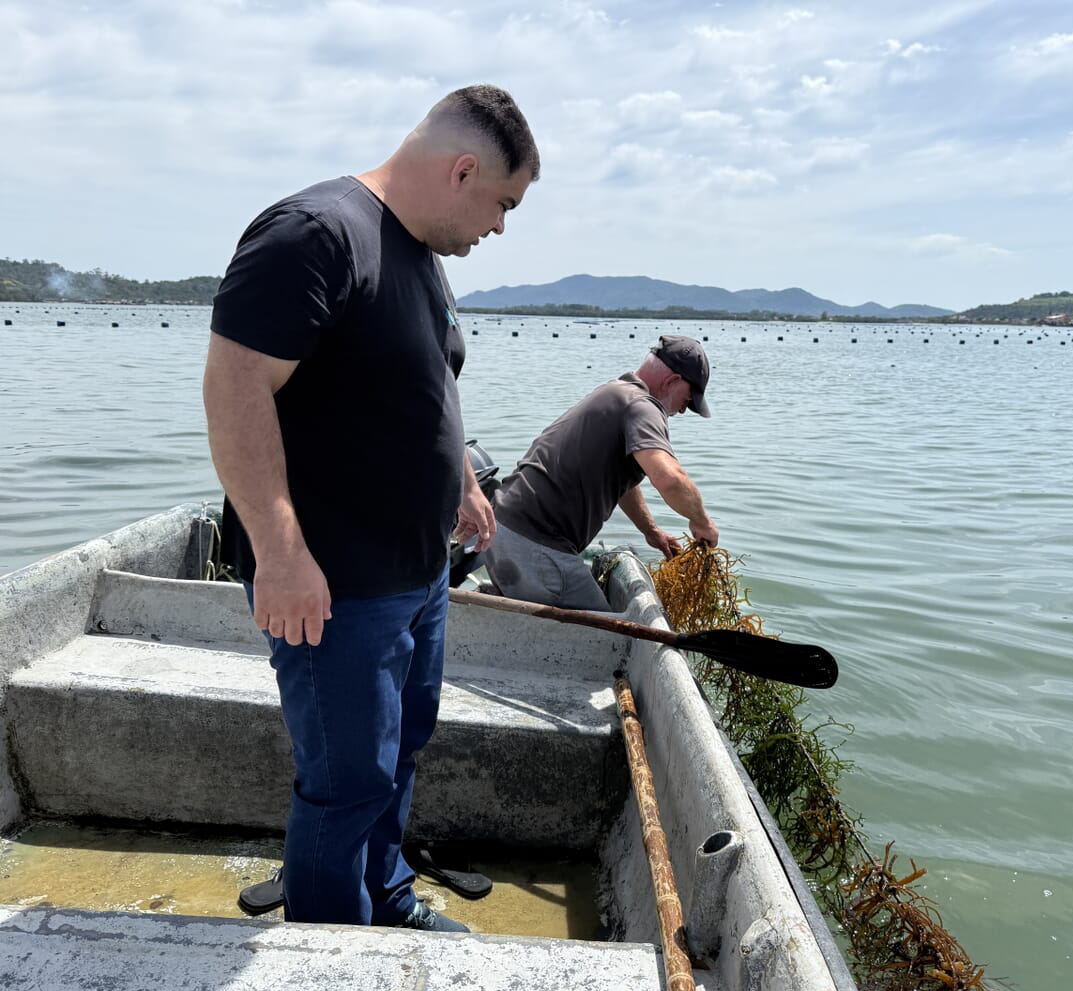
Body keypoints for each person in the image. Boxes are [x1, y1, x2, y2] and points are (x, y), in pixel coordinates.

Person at [202, 84, 539, 931]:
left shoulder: (419, 253)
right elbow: (235, 386)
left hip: (417, 575)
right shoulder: (315, 234)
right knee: (346, 779)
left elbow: (406, 381)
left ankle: (385, 899)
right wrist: (279, 553)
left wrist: (458, 472)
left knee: (400, 752)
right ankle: (330, 954)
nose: (500, 226)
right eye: (503, 202)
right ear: (463, 170)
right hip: (336, 583)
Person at [484, 335, 719, 610]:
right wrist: (702, 522)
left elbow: (623, 484)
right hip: (536, 544)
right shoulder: (643, 406)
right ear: (672, 380)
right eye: (688, 400)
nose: (683, 410)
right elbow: (669, 479)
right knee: (609, 639)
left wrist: (651, 531)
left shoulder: (616, 393)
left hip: (502, 529)